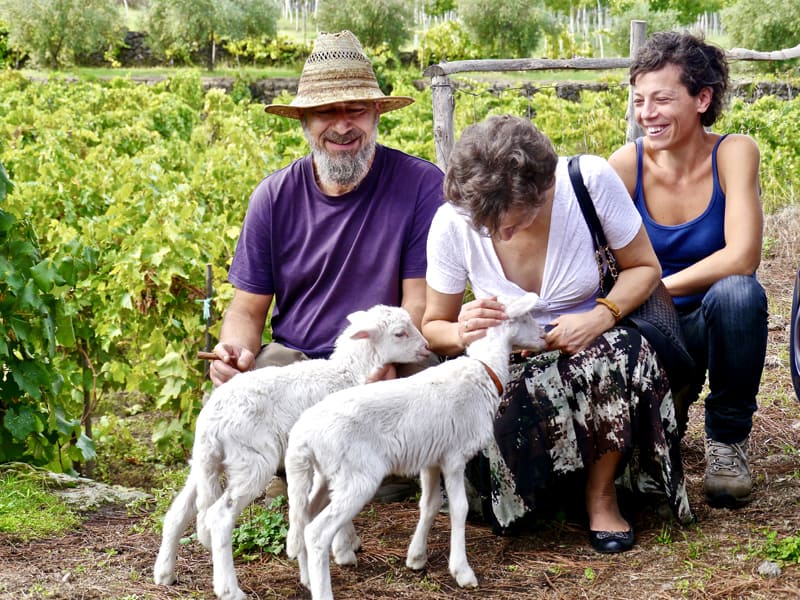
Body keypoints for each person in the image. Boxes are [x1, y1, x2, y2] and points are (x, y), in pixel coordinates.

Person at [422, 114, 693, 555]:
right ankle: (537, 491)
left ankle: (601, 494)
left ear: (544, 190)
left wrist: (601, 316)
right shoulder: (452, 221)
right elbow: (434, 327)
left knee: (620, 351)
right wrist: (461, 330)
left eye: (511, 223)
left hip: (590, 345)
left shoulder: (587, 181)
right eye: (487, 227)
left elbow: (645, 269)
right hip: (510, 358)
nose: (499, 235)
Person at [206, 30, 443, 389]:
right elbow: (247, 310)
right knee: (234, 403)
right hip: (295, 359)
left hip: (381, 353)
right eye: (325, 112)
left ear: (377, 112)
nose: (343, 126)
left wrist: (383, 357)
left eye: (356, 110)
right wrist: (233, 353)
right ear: (303, 120)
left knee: (426, 384)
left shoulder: (421, 186)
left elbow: (418, 303)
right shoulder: (273, 197)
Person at [609, 31, 768, 509]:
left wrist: (652, 286)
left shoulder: (734, 153)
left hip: (711, 323)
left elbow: (742, 256)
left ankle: (727, 441)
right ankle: (663, 412)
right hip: (648, 331)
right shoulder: (625, 165)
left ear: (703, 98)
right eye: (639, 100)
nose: (647, 114)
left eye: (662, 99)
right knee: (644, 480)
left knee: (738, 292)